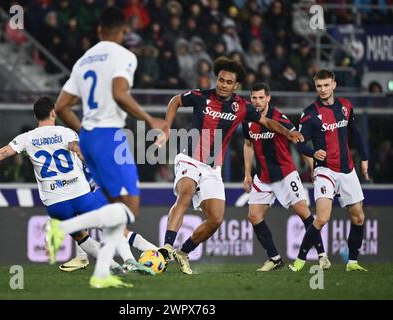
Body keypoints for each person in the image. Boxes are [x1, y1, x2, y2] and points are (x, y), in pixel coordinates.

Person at [0, 97, 137, 288]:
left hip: (55, 203)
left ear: (36, 116)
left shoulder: (26, 138)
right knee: (111, 224)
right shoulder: (66, 133)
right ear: (53, 112)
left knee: (81, 237)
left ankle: (113, 267)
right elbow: (79, 151)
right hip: (79, 194)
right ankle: (130, 261)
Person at [157, 57, 304, 275]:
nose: (223, 84)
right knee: (185, 193)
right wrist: (167, 127)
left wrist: (287, 132)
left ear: (236, 85)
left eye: (228, 82)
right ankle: (167, 247)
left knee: (216, 219)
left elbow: (266, 122)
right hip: (189, 158)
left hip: (212, 168)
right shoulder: (201, 97)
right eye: (220, 80)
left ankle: (183, 252)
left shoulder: (242, 107)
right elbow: (175, 101)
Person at [54, 6, 166, 269]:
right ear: (124, 30)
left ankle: (112, 267)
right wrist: (150, 120)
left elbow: (61, 107)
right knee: (131, 208)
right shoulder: (124, 55)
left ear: (99, 30)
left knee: (114, 208)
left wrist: (84, 133)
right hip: (110, 136)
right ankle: (67, 227)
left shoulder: (83, 60)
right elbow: (119, 93)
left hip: (90, 138)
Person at [242, 82, 330, 271]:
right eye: (254, 98)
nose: (257, 102)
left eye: (260, 98)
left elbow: (299, 140)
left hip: (285, 175)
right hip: (263, 177)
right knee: (254, 216)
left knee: (304, 214)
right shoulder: (248, 118)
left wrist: (313, 168)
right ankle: (274, 258)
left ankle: (322, 255)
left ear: (268, 98)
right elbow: (248, 144)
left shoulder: (279, 118)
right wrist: (247, 172)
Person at [290, 69, 369, 272]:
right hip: (325, 170)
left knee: (358, 217)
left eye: (326, 85)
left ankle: (352, 262)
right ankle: (300, 259)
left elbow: (356, 133)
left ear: (333, 84)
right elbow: (299, 143)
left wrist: (365, 158)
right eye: (319, 86)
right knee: (322, 217)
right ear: (316, 87)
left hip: (347, 169)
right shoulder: (309, 114)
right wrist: (313, 152)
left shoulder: (346, 106)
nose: (323, 89)